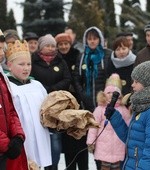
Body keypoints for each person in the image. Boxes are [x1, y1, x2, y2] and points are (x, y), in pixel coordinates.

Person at [105, 52, 150, 170]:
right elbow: (130, 139)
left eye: (136, 82)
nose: (132, 85)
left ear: (148, 84)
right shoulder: (142, 107)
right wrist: (114, 117)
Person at [5, 39, 52, 168]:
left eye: (28, 64)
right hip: (21, 137)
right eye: (21, 64)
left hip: (40, 135)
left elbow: (46, 110)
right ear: (9, 65)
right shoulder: (8, 86)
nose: (26, 68)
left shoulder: (37, 85)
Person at [30, 34, 71, 170]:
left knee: (55, 140)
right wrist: (43, 90)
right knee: (40, 137)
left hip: (56, 105)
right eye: (47, 45)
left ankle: (52, 167)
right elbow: (30, 78)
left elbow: (67, 78)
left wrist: (53, 89)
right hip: (38, 104)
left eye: (53, 45)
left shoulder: (60, 60)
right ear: (41, 47)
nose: (50, 48)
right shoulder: (33, 61)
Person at [73, 26, 112, 170]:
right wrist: (83, 94)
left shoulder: (107, 55)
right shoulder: (82, 56)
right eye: (89, 39)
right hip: (88, 105)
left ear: (100, 40)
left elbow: (111, 77)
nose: (92, 41)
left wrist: (108, 97)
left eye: (95, 38)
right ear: (85, 40)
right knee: (92, 140)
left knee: (105, 138)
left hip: (105, 105)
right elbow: (76, 78)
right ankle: (96, 165)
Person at [55, 33, 88, 170]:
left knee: (81, 137)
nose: (63, 47)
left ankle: (84, 166)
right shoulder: (56, 59)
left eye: (66, 44)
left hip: (79, 102)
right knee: (68, 139)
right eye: (60, 44)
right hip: (63, 103)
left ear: (70, 44)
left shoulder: (78, 56)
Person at [87, 81, 131, 170]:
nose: (111, 95)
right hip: (103, 147)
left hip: (119, 145)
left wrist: (129, 143)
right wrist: (91, 142)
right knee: (104, 167)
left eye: (113, 93)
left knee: (117, 167)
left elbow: (128, 125)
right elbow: (93, 127)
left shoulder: (123, 109)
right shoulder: (100, 109)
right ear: (104, 95)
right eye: (108, 92)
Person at [0, 30, 28, 170]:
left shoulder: (1, 77)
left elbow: (10, 110)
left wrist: (18, 136)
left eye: (2, 48)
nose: (2, 53)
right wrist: (5, 144)